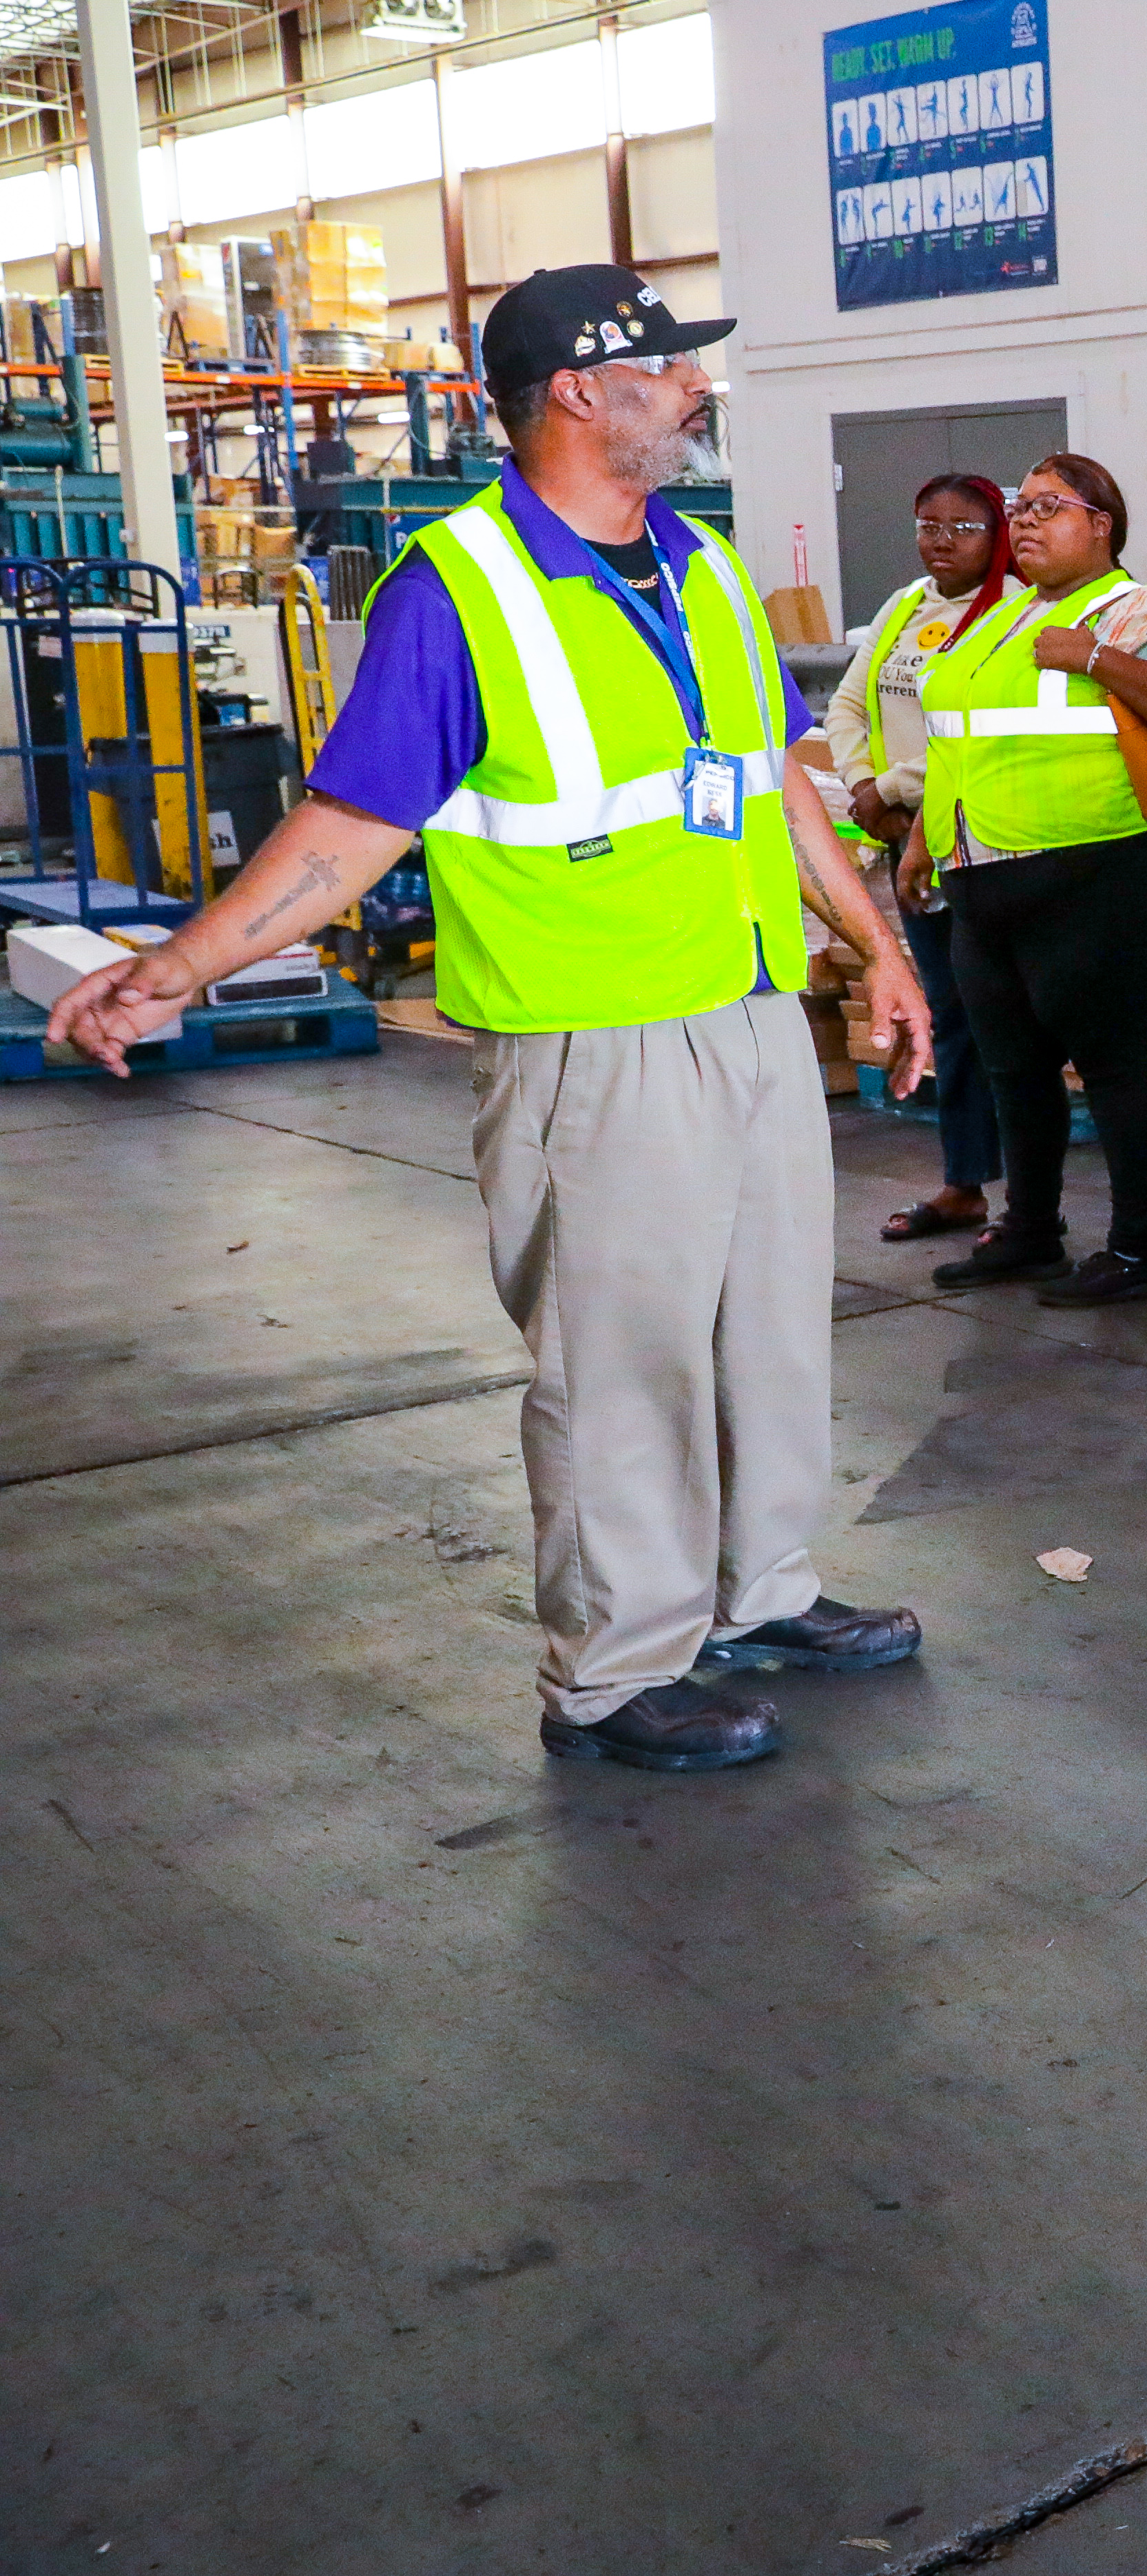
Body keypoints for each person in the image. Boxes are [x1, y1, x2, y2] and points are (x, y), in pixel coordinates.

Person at [45, 264, 933, 1773]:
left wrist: (878, 946)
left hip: (748, 1008)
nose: (698, 386)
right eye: (670, 366)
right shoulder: (455, 591)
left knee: (770, 1334)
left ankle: (760, 1589)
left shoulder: (702, 563)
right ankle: (615, 1666)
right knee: (622, 1356)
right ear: (581, 391)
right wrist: (179, 964)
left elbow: (773, 775)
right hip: (589, 1041)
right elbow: (349, 825)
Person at [907, 452, 1147, 1306]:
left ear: (1101, 524)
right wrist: (928, 840)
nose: (1025, 522)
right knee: (1014, 1071)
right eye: (1020, 509)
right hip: (981, 875)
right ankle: (1031, 1231)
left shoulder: (1144, 608)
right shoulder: (997, 615)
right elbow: (960, 736)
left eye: (1048, 508)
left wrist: (1097, 657)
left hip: (1096, 874)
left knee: (1115, 1070)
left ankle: (1139, 1255)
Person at [827, 473, 1006, 1248]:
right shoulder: (903, 608)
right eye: (927, 524)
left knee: (1008, 1017)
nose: (940, 540)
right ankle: (965, 1182)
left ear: (997, 533)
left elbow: (974, 733)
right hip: (908, 842)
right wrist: (864, 786)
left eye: (962, 527)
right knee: (951, 1011)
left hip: (982, 840)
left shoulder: (1010, 614)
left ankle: (1032, 1201)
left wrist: (893, 787)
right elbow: (846, 706)